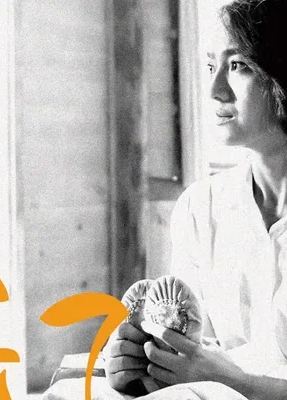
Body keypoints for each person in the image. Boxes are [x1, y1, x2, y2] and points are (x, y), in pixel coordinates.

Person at [105, 0, 287, 399]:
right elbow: (189, 350)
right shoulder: (199, 208)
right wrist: (137, 363)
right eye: (209, 66)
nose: (214, 89)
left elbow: (218, 373)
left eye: (238, 65)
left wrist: (237, 382)